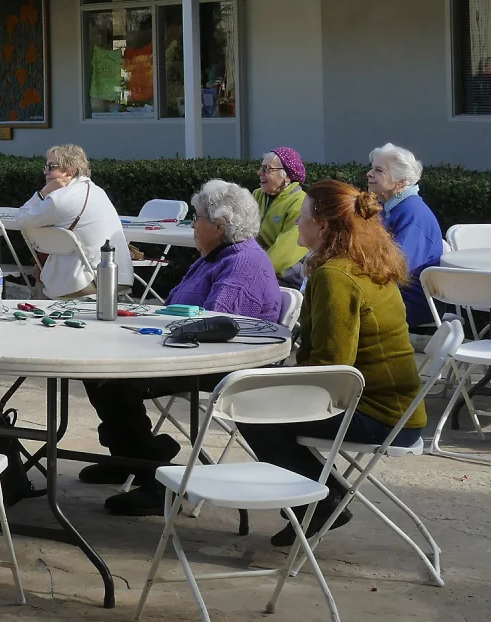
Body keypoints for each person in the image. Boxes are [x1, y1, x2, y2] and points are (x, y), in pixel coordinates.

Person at [238, 180, 425, 547]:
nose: (296, 224)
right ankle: (324, 494)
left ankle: (321, 502)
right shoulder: (367, 260)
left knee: (247, 406)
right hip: (400, 411)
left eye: (302, 217)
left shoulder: (334, 275)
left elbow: (331, 370)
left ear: (322, 225)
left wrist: (272, 383)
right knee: (261, 393)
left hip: (378, 416)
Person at [83, 181, 283, 515]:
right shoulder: (218, 255)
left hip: (218, 365)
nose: (193, 224)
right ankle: (131, 457)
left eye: (198, 217)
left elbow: (214, 328)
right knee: (97, 371)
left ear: (219, 225)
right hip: (188, 352)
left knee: (113, 380)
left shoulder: (241, 263)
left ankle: (154, 478)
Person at [16, 144, 132, 299]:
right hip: (119, 276)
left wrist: (42, 193)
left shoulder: (59, 200)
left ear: (69, 171)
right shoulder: (97, 191)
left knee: (42, 275)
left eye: (51, 167)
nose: (45, 172)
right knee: (43, 268)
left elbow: (22, 219)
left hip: (85, 282)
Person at [367, 143, 444, 329]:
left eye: (378, 170)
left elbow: (395, 269)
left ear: (400, 182)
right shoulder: (389, 207)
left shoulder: (413, 214)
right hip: (390, 293)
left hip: (410, 302)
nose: (369, 174)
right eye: (371, 168)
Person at [253, 147, 307, 280]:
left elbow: (285, 253)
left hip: (289, 275)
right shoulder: (258, 195)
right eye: (261, 167)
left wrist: (253, 273)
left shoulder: (300, 201)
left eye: (267, 169)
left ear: (287, 175)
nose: (260, 172)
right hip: (261, 267)